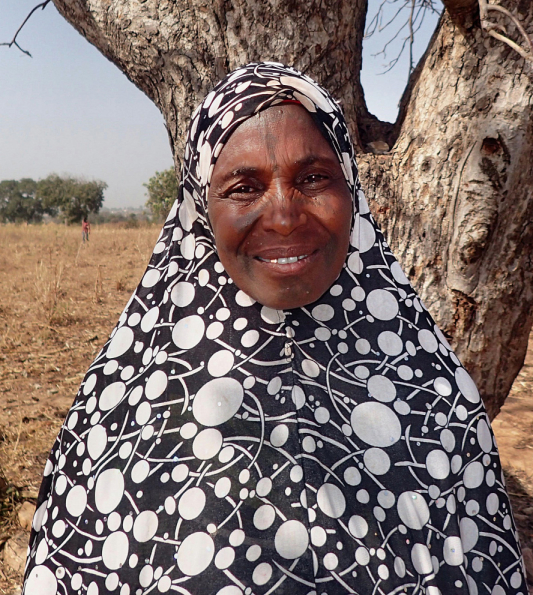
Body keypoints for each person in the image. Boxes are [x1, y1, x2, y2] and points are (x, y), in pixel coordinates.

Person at [23, 63, 526, 595]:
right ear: (201, 209)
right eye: (244, 187)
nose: (284, 216)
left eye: (312, 179)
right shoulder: (125, 412)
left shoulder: (436, 400)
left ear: (351, 192)